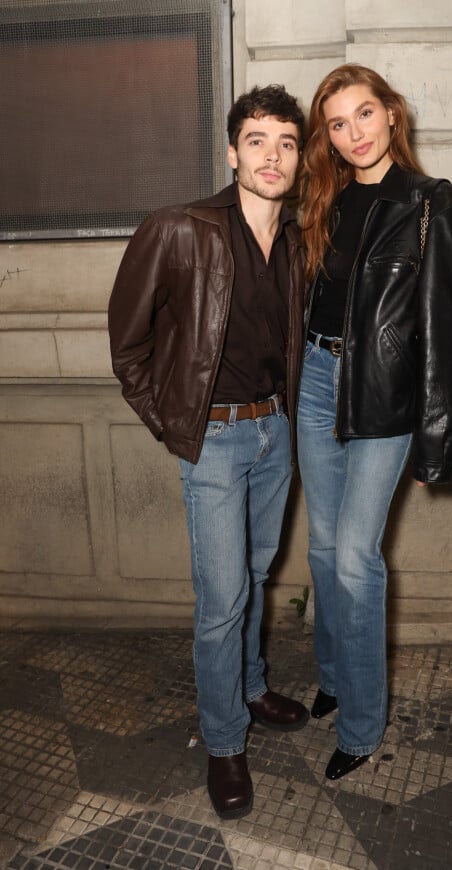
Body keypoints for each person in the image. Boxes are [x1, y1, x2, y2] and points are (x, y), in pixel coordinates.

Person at [108, 85, 308, 819]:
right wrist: (174, 423)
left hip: (275, 433)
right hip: (217, 440)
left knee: (254, 576)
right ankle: (225, 741)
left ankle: (251, 689)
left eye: (286, 142)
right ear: (232, 151)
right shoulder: (179, 228)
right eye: (257, 140)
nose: (272, 155)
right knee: (221, 600)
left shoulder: (296, 240)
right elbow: (127, 341)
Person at [297, 64, 452, 780]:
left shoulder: (433, 205)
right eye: (337, 124)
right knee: (319, 548)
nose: (353, 134)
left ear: (392, 115)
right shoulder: (324, 199)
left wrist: (438, 443)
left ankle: (363, 724)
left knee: (354, 556)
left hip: (383, 397)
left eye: (364, 115)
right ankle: (336, 677)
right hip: (317, 381)